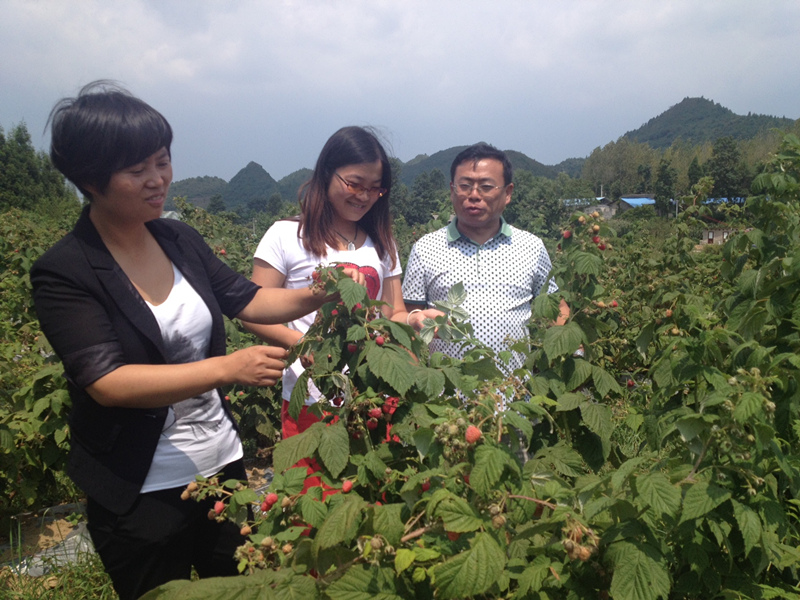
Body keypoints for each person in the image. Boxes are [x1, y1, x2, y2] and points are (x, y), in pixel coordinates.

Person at [30, 82, 365, 600]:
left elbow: (248, 299)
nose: (157, 180)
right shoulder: (65, 271)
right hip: (142, 490)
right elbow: (107, 381)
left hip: (220, 469)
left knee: (241, 590)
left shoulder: (178, 239)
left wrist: (319, 292)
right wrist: (227, 368)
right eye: (136, 169)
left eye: (162, 162)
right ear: (90, 180)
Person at [244, 126, 440, 462]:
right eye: (354, 184)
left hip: (375, 392)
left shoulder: (382, 241)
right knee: (314, 494)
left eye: (375, 189)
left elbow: (391, 312)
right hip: (313, 397)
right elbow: (252, 312)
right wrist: (305, 347)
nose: (363, 196)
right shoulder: (287, 235)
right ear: (325, 174)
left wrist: (414, 319)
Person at [402, 142, 569, 373]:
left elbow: (556, 309)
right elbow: (409, 320)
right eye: (465, 186)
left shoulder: (531, 247)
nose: (474, 195)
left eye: (486, 186)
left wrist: (568, 358)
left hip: (517, 399)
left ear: (507, 193)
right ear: (452, 190)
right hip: (446, 402)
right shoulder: (425, 249)